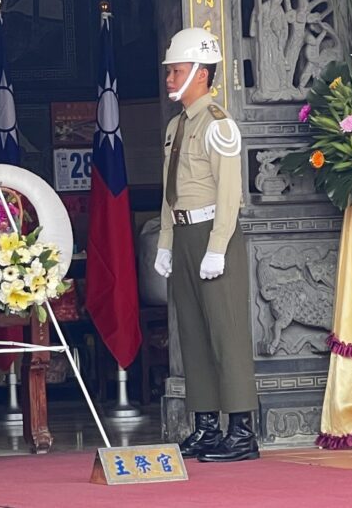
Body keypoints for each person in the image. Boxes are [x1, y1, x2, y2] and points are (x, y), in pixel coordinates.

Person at [154, 28, 259, 462]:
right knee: (193, 332)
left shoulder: (219, 126)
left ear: (200, 74)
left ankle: (241, 430)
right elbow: (169, 191)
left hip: (215, 233)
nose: (169, 78)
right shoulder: (177, 126)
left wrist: (218, 245)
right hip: (183, 234)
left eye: (176, 70)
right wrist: (165, 242)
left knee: (226, 329)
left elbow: (230, 192)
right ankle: (206, 425)